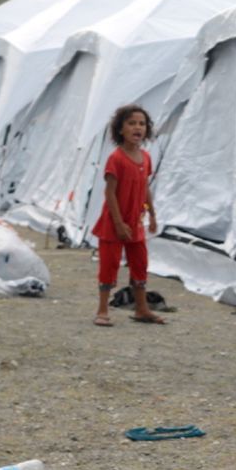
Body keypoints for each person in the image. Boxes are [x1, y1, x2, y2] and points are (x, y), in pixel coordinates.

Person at [91, 104, 163, 326]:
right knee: (109, 265)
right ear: (120, 129)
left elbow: (144, 188)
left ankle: (142, 308)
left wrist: (151, 214)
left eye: (141, 124)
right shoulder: (117, 159)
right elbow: (110, 193)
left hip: (136, 222)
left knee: (140, 263)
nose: (137, 128)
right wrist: (119, 222)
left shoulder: (146, 158)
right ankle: (102, 310)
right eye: (131, 123)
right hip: (114, 224)